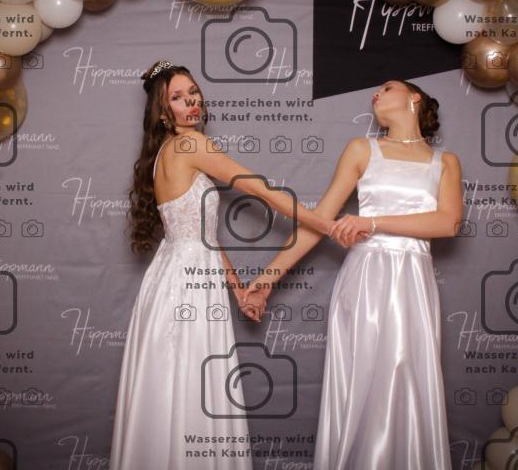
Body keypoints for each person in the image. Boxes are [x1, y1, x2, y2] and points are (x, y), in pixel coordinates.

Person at [108, 60, 334, 470]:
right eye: (178, 97)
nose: (191, 101)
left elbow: (204, 235)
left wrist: (238, 289)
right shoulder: (191, 145)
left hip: (172, 277)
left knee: (172, 386)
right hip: (189, 287)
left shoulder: (164, 154)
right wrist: (327, 225)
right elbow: (262, 190)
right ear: (163, 113)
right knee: (191, 384)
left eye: (193, 92)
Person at [243, 80, 463, 470]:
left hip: (413, 282)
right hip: (366, 280)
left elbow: (448, 223)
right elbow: (318, 223)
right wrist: (267, 279)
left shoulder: (445, 162)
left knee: (410, 379)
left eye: (387, 87)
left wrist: (372, 222)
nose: (377, 94)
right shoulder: (363, 149)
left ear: (414, 98)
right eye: (375, 91)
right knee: (361, 382)